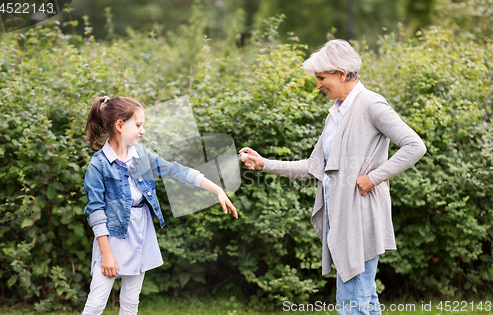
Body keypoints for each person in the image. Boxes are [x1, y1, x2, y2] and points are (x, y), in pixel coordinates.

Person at [240, 39, 426, 315]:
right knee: (363, 298)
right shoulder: (336, 114)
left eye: (321, 78)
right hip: (340, 216)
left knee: (353, 301)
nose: (318, 85)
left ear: (342, 73)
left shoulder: (371, 104)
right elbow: (315, 166)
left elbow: (415, 146)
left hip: (360, 215)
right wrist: (264, 164)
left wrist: (374, 177)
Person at [82, 96, 238, 315]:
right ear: (119, 125)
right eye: (138, 125)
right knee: (96, 303)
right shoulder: (98, 165)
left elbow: (176, 171)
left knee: (130, 302)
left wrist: (217, 189)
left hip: (140, 232)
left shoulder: (142, 156)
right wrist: (106, 254)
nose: (142, 131)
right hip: (112, 238)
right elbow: (96, 212)